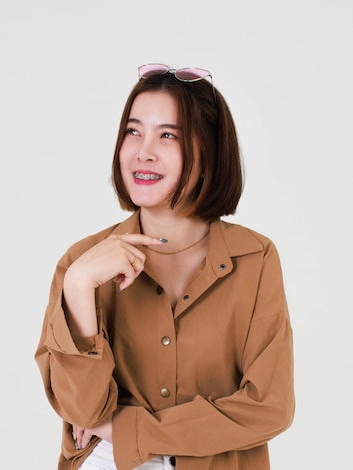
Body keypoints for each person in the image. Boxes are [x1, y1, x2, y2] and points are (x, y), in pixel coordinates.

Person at [34, 63, 294, 470]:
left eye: (168, 135)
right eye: (133, 131)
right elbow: (82, 413)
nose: (143, 151)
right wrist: (80, 285)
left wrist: (130, 429)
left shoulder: (254, 258)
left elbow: (269, 407)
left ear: (208, 151)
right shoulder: (83, 262)